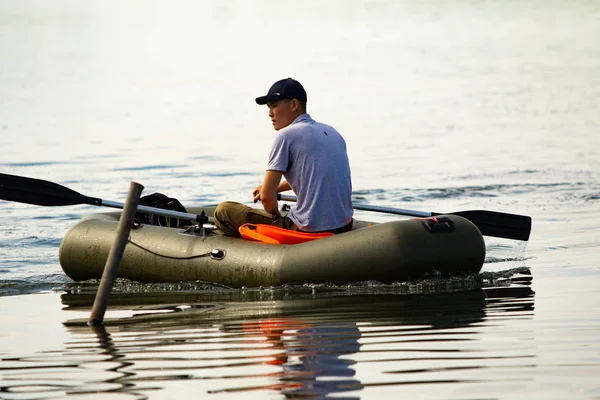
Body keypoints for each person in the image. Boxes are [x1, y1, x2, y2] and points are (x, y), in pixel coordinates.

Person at [213, 77, 353, 237]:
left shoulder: (285, 136)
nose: (269, 113)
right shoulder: (333, 133)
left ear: (293, 105)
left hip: (307, 230)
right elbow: (313, 175)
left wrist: (275, 218)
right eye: (268, 107)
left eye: (274, 106)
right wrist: (277, 188)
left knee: (223, 211)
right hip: (344, 226)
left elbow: (266, 198)